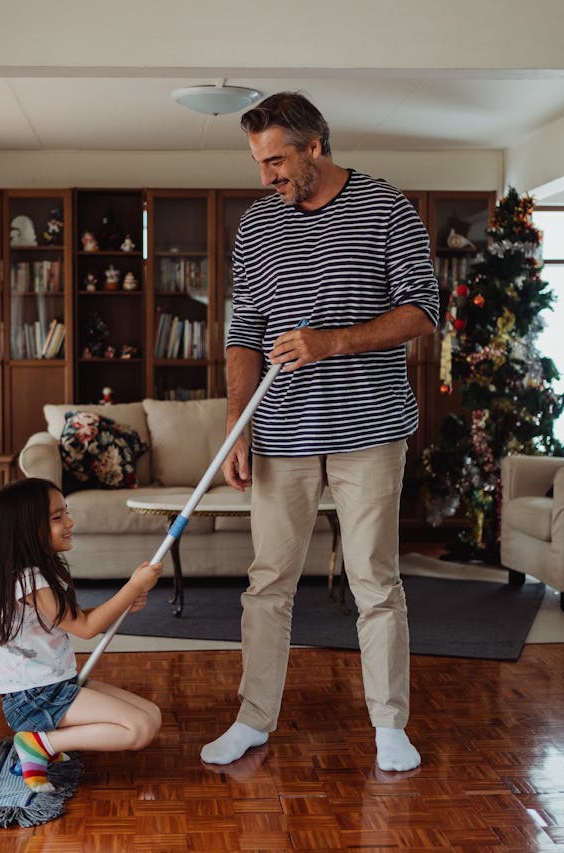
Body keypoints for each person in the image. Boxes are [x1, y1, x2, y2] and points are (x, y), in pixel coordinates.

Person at [200, 91, 439, 773]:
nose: (266, 175)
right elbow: (243, 333)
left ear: (315, 146)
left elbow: (423, 310)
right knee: (268, 579)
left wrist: (331, 341)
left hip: (370, 425)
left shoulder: (386, 207)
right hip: (280, 432)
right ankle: (252, 718)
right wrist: (237, 425)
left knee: (374, 578)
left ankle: (390, 725)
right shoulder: (257, 225)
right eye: (258, 162)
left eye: (276, 159)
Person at [0, 477, 163, 791]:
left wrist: (123, 604)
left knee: (151, 714)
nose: (69, 522)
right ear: (26, 529)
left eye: (65, 513)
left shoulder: (37, 573)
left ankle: (46, 743)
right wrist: (133, 586)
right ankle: (40, 744)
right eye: (57, 518)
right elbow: (86, 629)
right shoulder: (29, 581)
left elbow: (79, 619)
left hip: (54, 685)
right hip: (35, 697)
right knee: (141, 729)